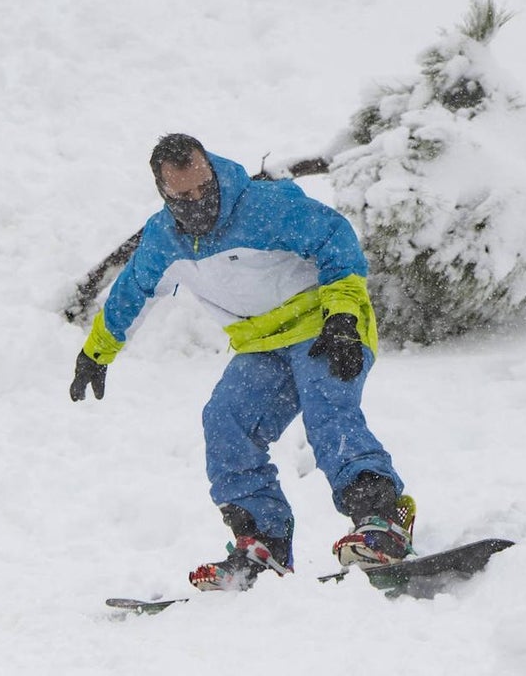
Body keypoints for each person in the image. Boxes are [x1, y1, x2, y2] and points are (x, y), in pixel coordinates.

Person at [68, 133, 414, 592]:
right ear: (163, 192)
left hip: (325, 327)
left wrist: (344, 317)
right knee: (225, 422)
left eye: (203, 189)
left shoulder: (263, 207)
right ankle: (264, 544)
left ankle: (382, 518)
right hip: (260, 345)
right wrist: (96, 353)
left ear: (211, 171)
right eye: (183, 196)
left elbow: (336, 240)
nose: (198, 203)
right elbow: (132, 293)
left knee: (328, 409)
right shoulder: (163, 239)